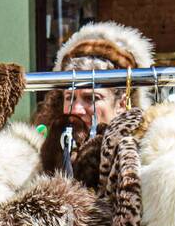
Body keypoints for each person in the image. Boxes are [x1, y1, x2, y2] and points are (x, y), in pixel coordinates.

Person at [32, 21, 153, 174]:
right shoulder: (39, 157)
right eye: (70, 97)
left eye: (91, 99)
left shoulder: (144, 160)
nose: (76, 109)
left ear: (121, 104)